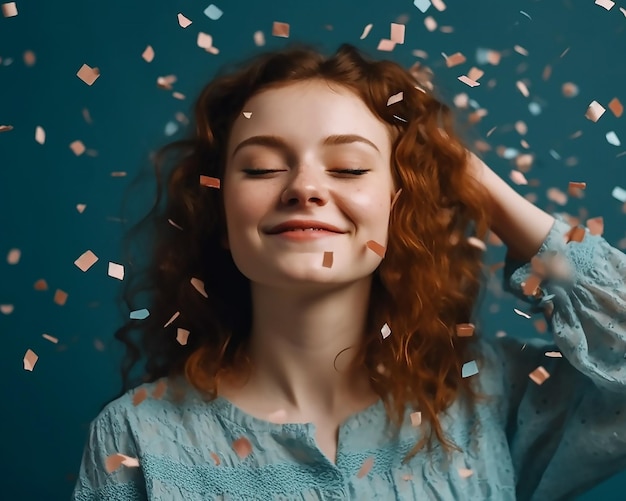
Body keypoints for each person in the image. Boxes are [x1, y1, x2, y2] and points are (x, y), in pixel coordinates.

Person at [72, 43, 626, 500]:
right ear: (218, 210)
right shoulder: (136, 439)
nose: (305, 188)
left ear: (398, 205)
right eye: (262, 167)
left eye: (350, 167)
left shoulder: (484, 396)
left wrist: (475, 182)